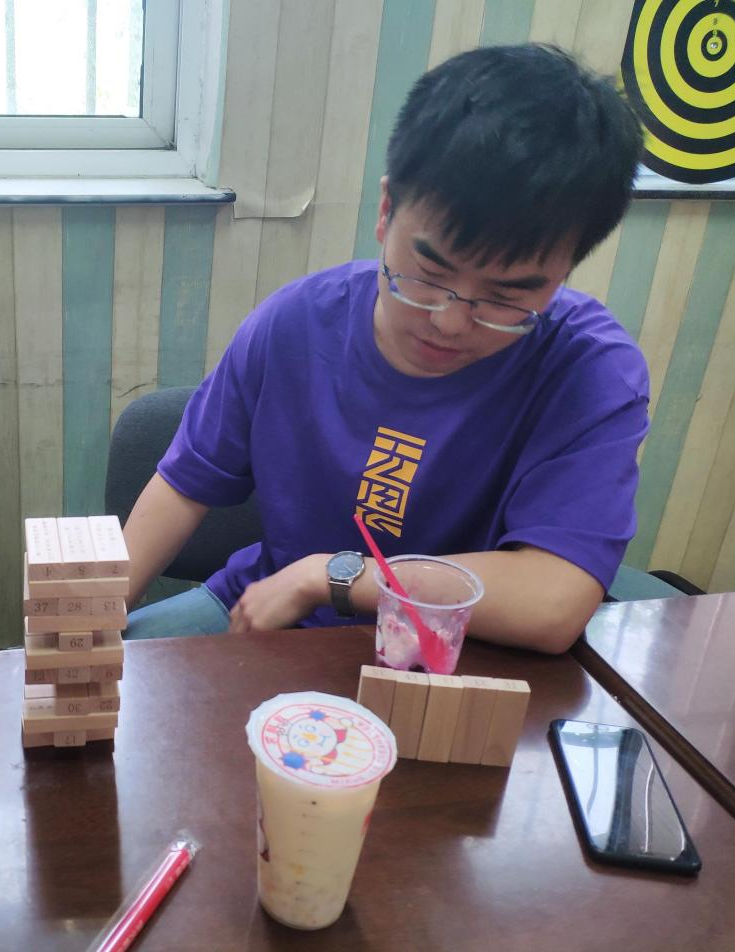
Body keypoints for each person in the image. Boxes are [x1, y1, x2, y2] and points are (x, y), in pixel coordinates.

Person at [123, 44, 649, 654]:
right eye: (429, 273)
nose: (450, 322)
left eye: (505, 297)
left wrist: (330, 576)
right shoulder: (294, 324)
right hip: (265, 611)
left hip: (453, 649)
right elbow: (185, 483)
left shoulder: (589, 370)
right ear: (385, 211)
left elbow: (553, 599)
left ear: (563, 273)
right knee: (109, 686)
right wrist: (96, 611)